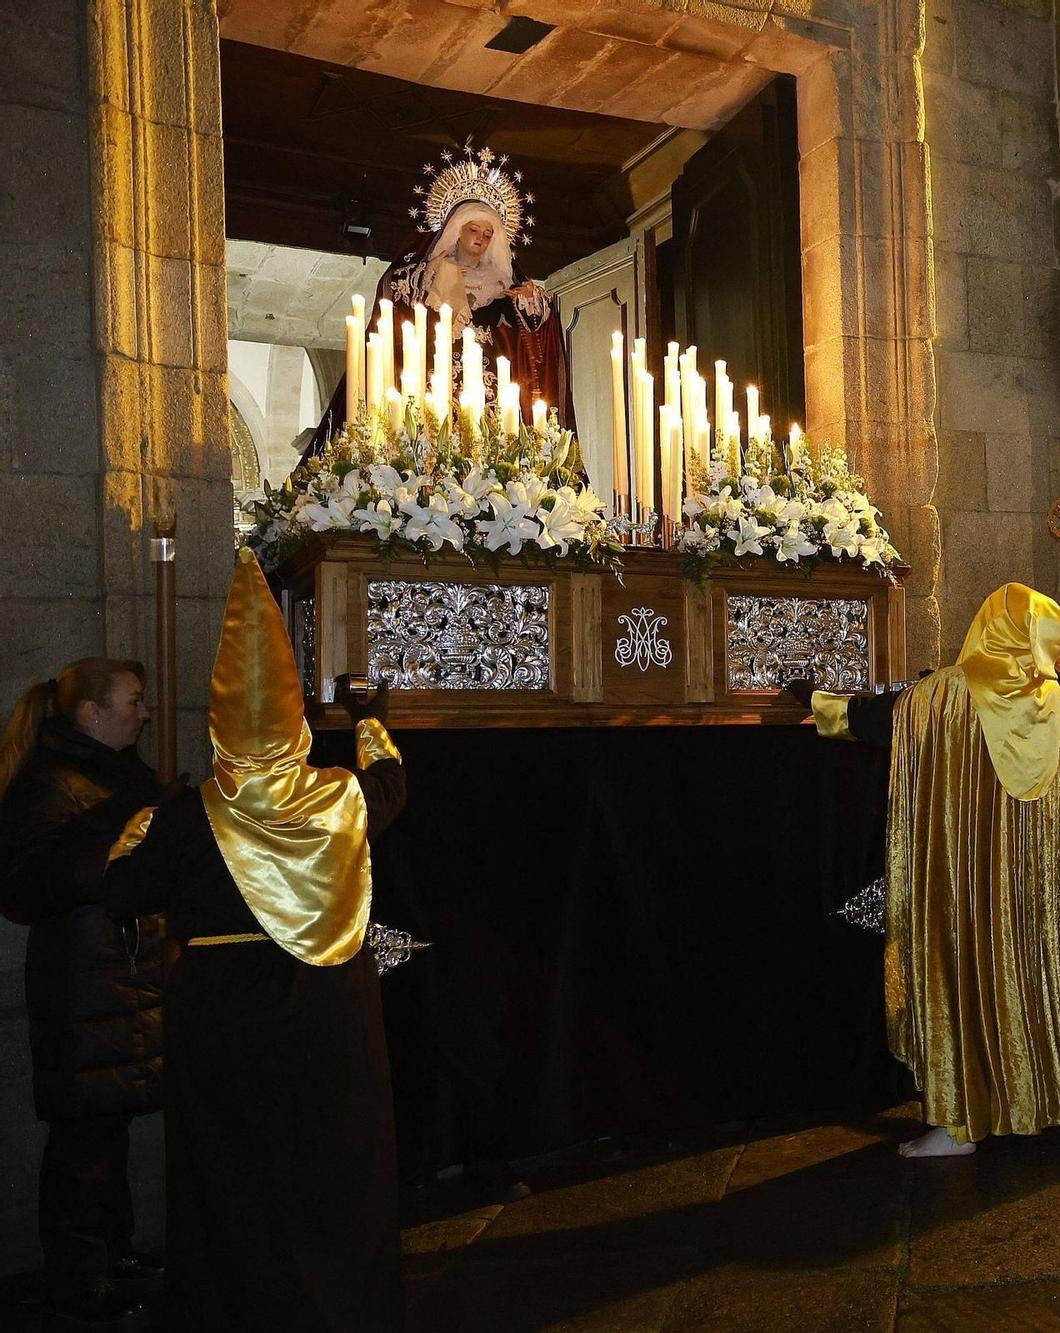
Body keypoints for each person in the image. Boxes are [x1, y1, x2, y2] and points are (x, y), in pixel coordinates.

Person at [102, 550, 409, 1331]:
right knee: (332, 1166)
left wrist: (134, 829)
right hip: (329, 1014)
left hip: (224, 1022)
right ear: (294, 717)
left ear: (220, 723)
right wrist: (370, 720)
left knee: (233, 1176)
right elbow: (392, 782)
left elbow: (123, 888)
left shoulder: (185, 814)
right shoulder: (341, 795)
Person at [807, 583, 1060, 1156]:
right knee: (1025, 972)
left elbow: (880, 719)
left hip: (967, 882)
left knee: (965, 973)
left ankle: (962, 1119)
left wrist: (816, 704)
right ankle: (1038, 1095)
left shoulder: (950, 693)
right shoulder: (1052, 700)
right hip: (1027, 889)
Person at [0, 660, 167, 1329]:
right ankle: (77, 1286)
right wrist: (110, 853)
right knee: (82, 1146)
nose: (146, 712)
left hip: (118, 982)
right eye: (135, 702)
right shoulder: (50, 781)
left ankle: (114, 1256)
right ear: (92, 715)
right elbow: (20, 885)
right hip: (83, 987)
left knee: (109, 1132)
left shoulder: (118, 774)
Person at [313, 144, 572, 450]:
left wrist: (534, 305)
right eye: (473, 228)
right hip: (427, 402)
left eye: (489, 234)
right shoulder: (426, 280)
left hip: (490, 413)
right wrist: (428, 276)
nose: (481, 237)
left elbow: (536, 342)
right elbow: (392, 302)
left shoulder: (503, 290)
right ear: (456, 231)